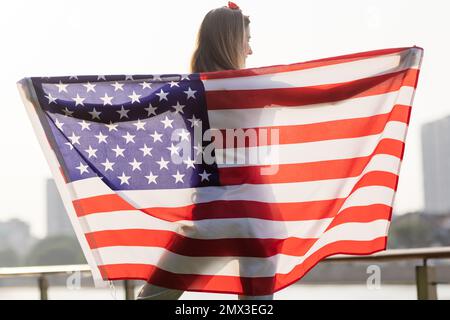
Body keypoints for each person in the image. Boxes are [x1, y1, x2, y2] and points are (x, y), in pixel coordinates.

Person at [137, 2, 273, 300]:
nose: (250, 51)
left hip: (213, 218)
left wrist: (48, 100)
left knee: (150, 299)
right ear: (230, 42)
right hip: (261, 220)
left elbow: (119, 113)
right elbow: (326, 93)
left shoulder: (185, 90)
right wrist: (394, 70)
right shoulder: (259, 85)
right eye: (247, 41)